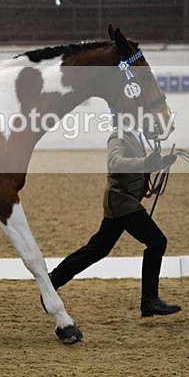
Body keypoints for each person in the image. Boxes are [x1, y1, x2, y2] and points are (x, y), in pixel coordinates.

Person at [48, 119, 181, 317]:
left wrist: (160, 162)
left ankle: (53, 281)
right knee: (156, 241)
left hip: (124, 201)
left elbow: (136, 167)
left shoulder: (136, 137)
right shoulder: (118, 136)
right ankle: (150, 301)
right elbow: (115, 163)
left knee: (99, 248)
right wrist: (146, 162)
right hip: (121, 201)